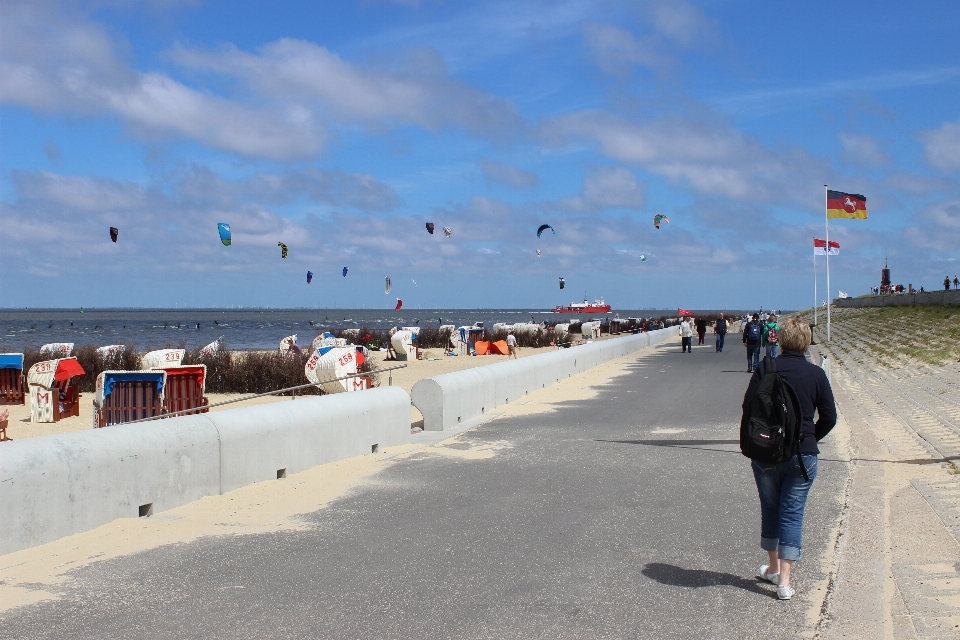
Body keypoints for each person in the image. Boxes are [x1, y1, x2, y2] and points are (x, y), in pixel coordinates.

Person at [742, 317, 836, 600]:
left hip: (767, 452)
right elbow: (829, 417)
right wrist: (809, 438)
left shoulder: (765, 367)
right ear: (806, 341)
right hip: (802, 455)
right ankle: (784, 582)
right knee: (792, 514)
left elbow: (748, 407)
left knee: (770, 508)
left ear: (781, 340)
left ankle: (771, 567)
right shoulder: (816, 374)